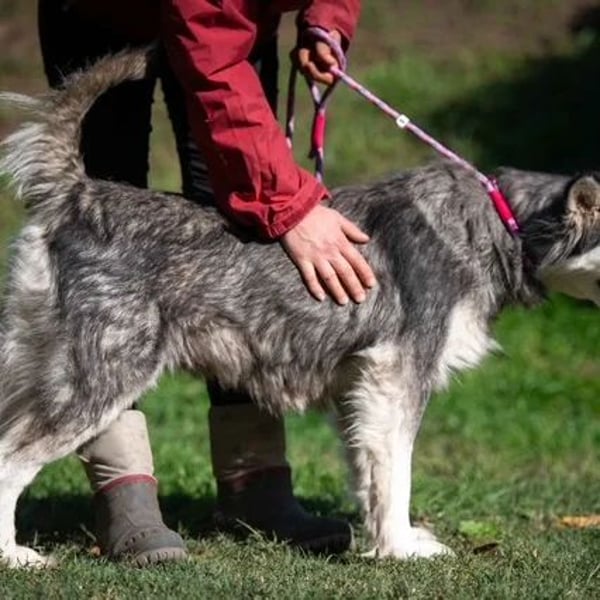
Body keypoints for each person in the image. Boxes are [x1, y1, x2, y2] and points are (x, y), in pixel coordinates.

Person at [37, 0, 374, 565]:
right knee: (105, 240)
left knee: (240, 230)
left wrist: (326, 20)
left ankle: (254, 480)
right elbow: (211, 50)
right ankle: (124, 493)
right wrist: (287, 206)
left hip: (233, 24)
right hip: (103, 14)